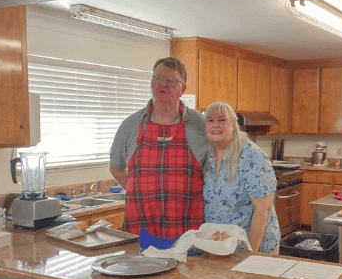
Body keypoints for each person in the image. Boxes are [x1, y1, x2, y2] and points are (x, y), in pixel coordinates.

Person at [109, 57, 209, 238]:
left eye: (171, 80)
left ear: (182, 89)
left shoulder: (200, 125)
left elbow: (214, 170)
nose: (163, 84)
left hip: (188, 231)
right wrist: (139, 193)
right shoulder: (130, 125)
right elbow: (116, 167)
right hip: (140, 230)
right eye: (157, 79)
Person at [202, 101, 280, 253]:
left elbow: (262, 209)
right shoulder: (208, 155)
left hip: (254, 248)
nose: (215, 125)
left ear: (233, 125)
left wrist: (252, 252)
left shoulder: (252, 156)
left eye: (222, 120)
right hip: (222, 248)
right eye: (210, 120)